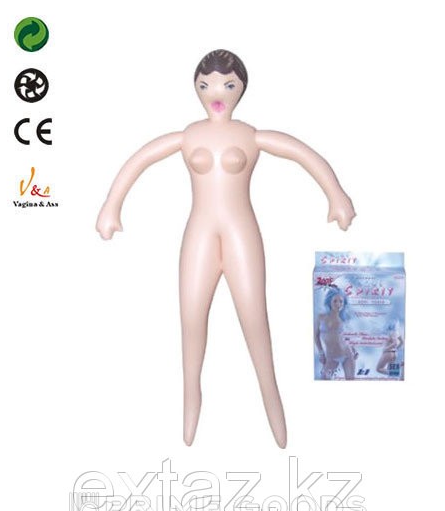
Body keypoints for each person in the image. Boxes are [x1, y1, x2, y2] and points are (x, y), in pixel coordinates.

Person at [96, 49, 356, 447]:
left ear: (241, 88)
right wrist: (111, 205)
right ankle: (191, 404)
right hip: (200, 235)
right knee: (190, 320)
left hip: (241, 235)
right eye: (206, 85)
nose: (217, 93)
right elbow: (142, 158)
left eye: (228, 84)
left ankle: (273, 404)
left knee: (255, 322)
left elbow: (301, 152)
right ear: (196, 88)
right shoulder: (188, 135)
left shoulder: (251, 136)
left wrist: (336, 195)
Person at [314, 288, 358, 380]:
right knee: (324, 379)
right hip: (331, 357)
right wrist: (321, 353)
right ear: (329, 301)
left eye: (341, 301)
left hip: (347, 354)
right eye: (335, 301)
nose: (338, 304)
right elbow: (316, 336)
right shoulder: (321, 317)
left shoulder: (343, 318)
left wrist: (354, 348)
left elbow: (346, 336)